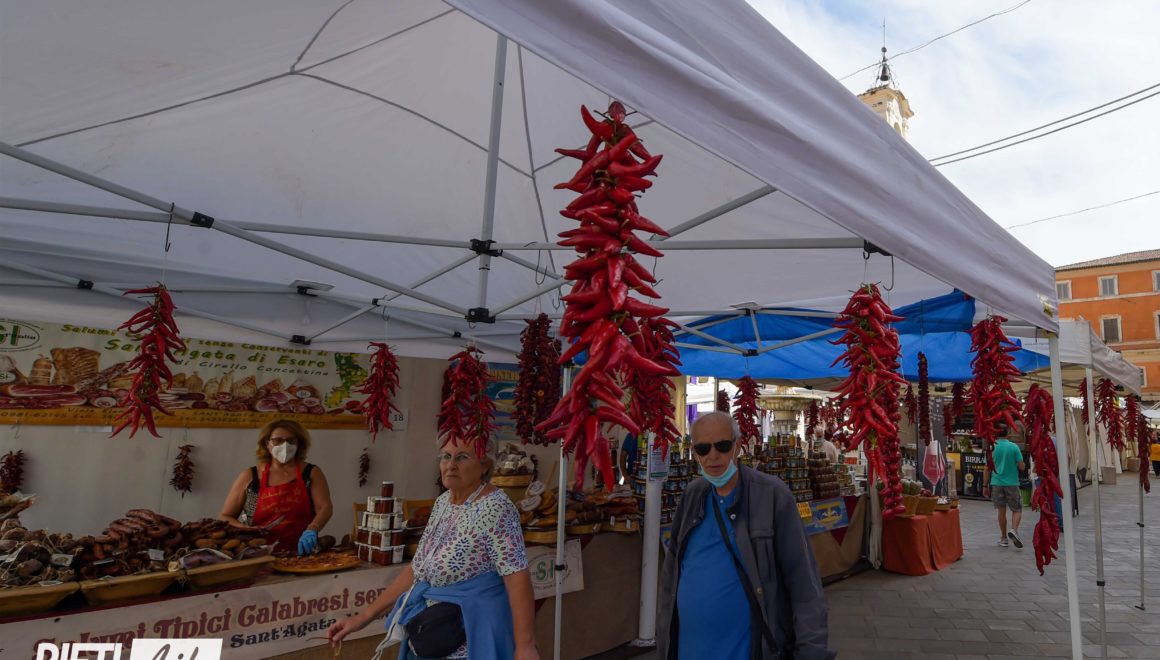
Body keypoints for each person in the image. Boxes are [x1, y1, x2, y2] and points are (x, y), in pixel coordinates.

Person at [327, 436, 539, 660]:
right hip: (435, 631)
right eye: (446, 456)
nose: (451, 465)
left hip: (473, 634)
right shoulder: (443, 502)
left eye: (462, 457)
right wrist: (362, 617)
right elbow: (418, 569)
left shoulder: (497, 508)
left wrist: (525, 645)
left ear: (485, 464)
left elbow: (517, 579)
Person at [656, 411, 833, 660]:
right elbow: (671, 573)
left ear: (737, 446)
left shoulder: (772, 495)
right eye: (703, 449)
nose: (713, 456)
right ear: (694, 453)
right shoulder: (692, 496)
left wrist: (812, 651)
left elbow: (804, 583)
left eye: (722, 446)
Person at [219, 419, 333, 555]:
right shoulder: (250, 475)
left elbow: (324, 507)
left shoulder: (311, 473)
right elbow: (225, 516)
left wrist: (313, 528)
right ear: (267, 444)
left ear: (299, 444)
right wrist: (244, 528)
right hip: (257, 554)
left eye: (291, 440)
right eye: (277, 440)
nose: (285, 445)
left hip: (301, 552)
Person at [984, 429, 1026, 549]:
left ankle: (1003, 539)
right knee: (1017, 509)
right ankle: (1014, 530)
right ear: (1007, 434)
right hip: (1012, 483)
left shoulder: (992, 448)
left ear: (996, 434)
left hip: (996, 483)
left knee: (1001, 511)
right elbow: (1022, 466)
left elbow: (986, 468)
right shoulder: (1014, 447)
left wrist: (984, 485)